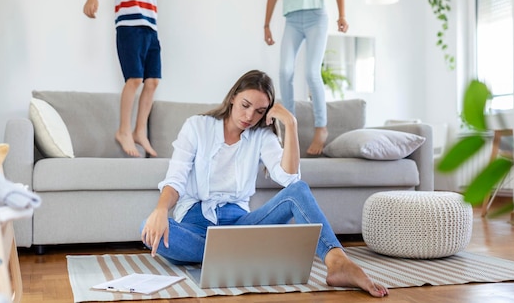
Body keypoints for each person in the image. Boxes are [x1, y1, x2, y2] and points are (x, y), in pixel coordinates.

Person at [141, 70, 388, 297]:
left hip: (239, 226)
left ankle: (338, 262)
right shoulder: (197, 126)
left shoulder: (261, 135)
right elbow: (176, 178)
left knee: (298, 191)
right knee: (149, 230)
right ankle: (237, 254)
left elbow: (291, 180)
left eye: (259, 111)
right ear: (233, 98)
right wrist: (161, 210)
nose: (250, 116)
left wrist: (290, 124)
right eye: (245, 106)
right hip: (194, 224)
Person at [263, 0, 348, 156]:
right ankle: (289, 127)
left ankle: (321, 128)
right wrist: (266, 24)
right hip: (292, 20)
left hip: (316, 18)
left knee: (312, 72)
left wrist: (342, 15)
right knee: (285, 70)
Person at [83, 0, 163, 158]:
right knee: (134, 80)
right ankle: (123, 130)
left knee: (152, 81)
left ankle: (141, 131)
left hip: (151, 28)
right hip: (129, 26)